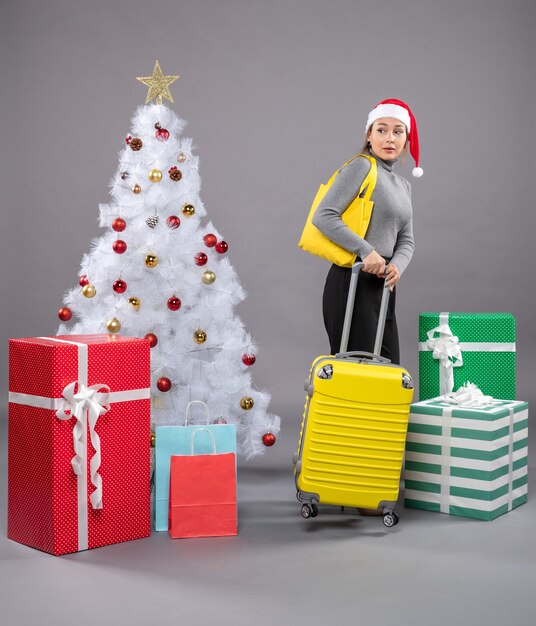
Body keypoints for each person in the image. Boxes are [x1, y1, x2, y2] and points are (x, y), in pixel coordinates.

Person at [312, 99, 422, 363]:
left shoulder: (404, 185)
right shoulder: (361, 166)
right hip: (353, 280)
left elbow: (406, 239)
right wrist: (366, 251)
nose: (390, 138)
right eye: (381, 130)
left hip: (383, 285)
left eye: (398, 132)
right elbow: (324, 216)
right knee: (357, 371)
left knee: (387, 368)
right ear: (369, 135)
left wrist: (397, 266)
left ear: (406, 140)